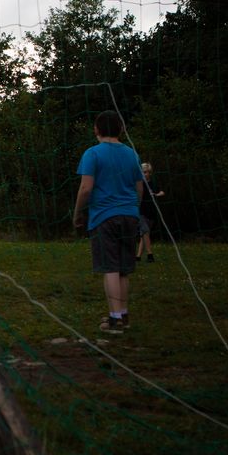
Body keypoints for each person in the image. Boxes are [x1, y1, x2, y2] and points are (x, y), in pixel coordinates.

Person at [73, 111, 143, 334]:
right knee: (124, 269)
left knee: (110, 268)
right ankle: (123, 315)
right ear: (121, 130)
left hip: (104, 217)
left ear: (97, 129)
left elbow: (85, 189)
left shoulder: (92, 154)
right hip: (130, 215)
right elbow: (139, 188)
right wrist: (133, 209)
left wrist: (77, 213)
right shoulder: (132, 154)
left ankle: (114, 320)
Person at [136, 162, 164, 263]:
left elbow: (162, 192)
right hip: (140, 211)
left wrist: (156, 194)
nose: (146, 174)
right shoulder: (139, 184)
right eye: (144, 172)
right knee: (145, 231)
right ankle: (150, 254)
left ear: (150, 173)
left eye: (147, 172)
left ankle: (138, 256)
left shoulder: (153, 184)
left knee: (144, 234)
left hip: (151, 211)